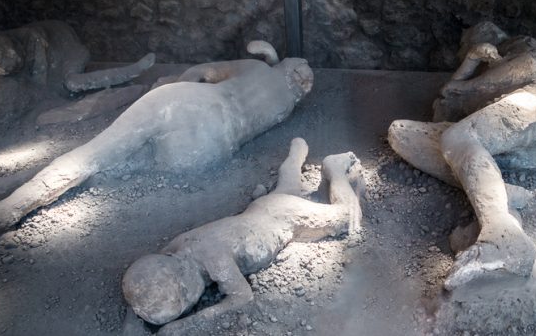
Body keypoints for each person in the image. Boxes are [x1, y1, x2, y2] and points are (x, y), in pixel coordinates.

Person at [0, 41, 313, 238]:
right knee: (104, 170)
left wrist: (180, 81)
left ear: (284, 65)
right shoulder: (285, 105)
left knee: (95, 153)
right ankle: (15, 191)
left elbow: (203, 71)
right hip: (210, 148)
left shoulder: (257, 70)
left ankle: (6, 207)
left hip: (187, 106)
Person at [388, 22, 536, 289]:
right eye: (470, 43)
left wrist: (470, 85)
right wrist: (469, 62)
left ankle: (503, 238)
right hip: (496, 143)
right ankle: (498, 191)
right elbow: (445, 106)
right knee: (401, 133)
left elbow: (530, 66)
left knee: (457, 138)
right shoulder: (483, 74)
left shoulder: (520, 48)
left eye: (480, 34)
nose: (480, 38)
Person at [122, 138, 363, 335]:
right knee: (287, 188)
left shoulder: (214, 261)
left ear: (188, 287)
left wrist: (184, 324)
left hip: (286, 218)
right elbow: (146, 284)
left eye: (186, 303)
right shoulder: (177, 248)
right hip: (263, 209)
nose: (190, 305)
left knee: (345, 217)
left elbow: (242, 297)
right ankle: (296, 152)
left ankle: (335, 169)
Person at [0, 20, 155, 122]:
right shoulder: (2, 58)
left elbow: (42, 76)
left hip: (68, 53)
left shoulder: (33, 38)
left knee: (73, 82)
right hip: (56, 56)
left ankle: (133, 70)